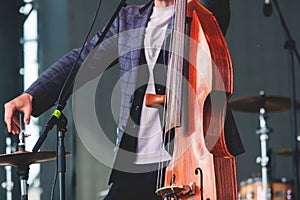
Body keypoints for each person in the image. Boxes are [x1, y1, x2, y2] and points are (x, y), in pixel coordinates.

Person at [4, 0, 244, 199]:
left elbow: (218, 10)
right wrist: (32, 95)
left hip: (190, 160)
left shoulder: (202, 8)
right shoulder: (129, 17)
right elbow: (83, 59)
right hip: (137, 161)